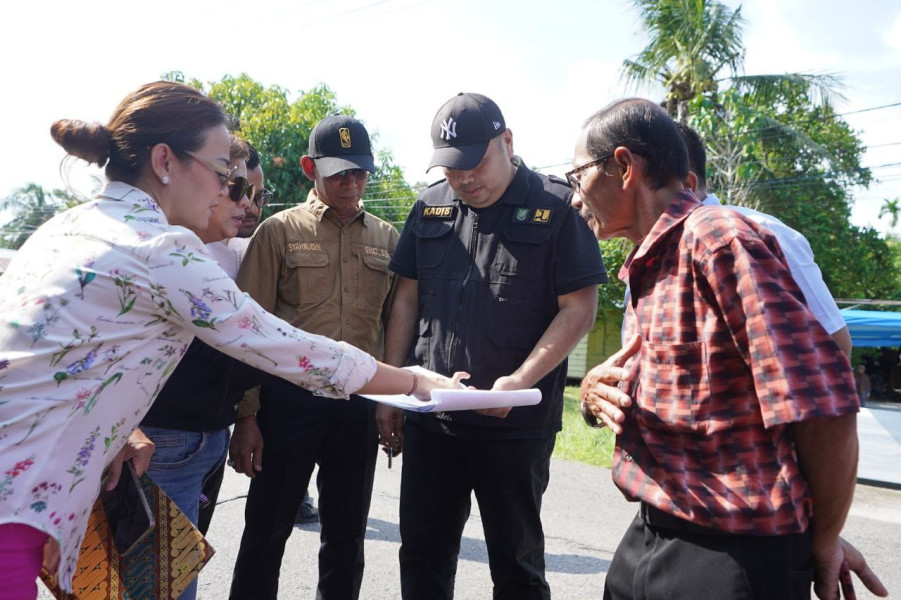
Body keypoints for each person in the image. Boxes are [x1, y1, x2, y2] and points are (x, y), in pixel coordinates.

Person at [0, 81, 460, 600]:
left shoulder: (68, 226)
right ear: (164, 161)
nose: (229, 194)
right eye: (223, 175)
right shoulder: (161, 249)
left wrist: (113, 437)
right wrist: (413, 381)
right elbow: (286, 345)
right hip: (19, 498)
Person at [569, 98, 887, 600]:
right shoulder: (651, 260)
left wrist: (822, 540)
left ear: (625, 167)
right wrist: (590, 391)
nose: (574, 197)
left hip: (730, 554)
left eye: (578, 175)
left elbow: (822, 407)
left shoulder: (719, 241)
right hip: (654, 532)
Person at [375, 92, 606, 599]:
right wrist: (392, 384)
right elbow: (407, 299)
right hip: (432, 419)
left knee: (516, 564)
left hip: (515, 428)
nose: (464, 179)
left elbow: (579, 309)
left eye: (475, 163)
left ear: (507, 141)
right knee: (422, 557)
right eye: (452, 168)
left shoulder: (557, 207)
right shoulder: (430, 205)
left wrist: (518, 383)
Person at [229, 115, 399, 600]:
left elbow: (392, 327)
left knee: (346, 537)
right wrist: (247, 417)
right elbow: (245, 334)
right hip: (287, 405)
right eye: (340, 173)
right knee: (266, 531)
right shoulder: (278, 233)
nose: (352, 183)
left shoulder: (387, 239)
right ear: (310, 168)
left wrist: (391, 402)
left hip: (357, 406)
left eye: (361, 173)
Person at [135, 135, 256, 600]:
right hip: (162, 440)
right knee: (161, 587)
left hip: (205, 437)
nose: (245, 204)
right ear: (168, 166)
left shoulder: (230, 254)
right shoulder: (164, 252)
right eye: (234, 184)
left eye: (251, 193)